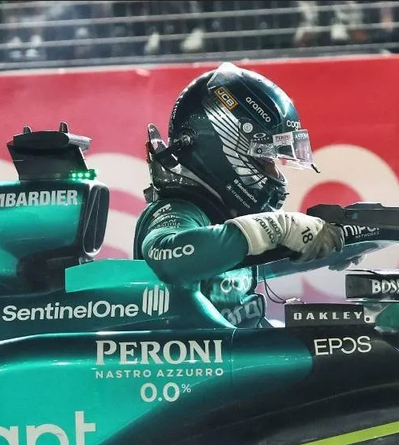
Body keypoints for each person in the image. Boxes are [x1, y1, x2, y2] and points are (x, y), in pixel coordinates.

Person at [134, 61, 345, 327]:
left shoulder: (227, 220)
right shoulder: (177, 210)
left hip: (237, 353)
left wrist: (345, 242)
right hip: (193, 363)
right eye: (266, 160)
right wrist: (280, 227)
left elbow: (240, 251)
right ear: (220, 147)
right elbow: (165, 256)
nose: (275, 176)